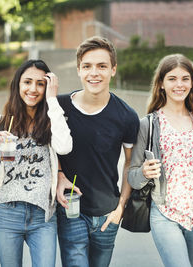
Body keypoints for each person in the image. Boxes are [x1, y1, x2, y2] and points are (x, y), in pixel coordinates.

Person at [0, 59, 72, 267]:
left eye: (40, 83)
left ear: (47, 87)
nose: (33, 89)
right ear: (17, 85)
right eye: (27, 82)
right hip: (7, 213)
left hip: (43, 216)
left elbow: (64, 147)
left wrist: (53, 100)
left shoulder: (53, 121)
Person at [128, 54, 193, 267]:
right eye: (172, 78)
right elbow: (132, 177)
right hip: (165, 213)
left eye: (185, 78)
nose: (179, 84)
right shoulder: (149, 125)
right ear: (161, 83)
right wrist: (144, 172)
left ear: (192, 83)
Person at [56, 36, 140, 267]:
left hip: (107, 213)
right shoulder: (59, 106)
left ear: (113, 70)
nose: (94, 73)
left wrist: (120, 207)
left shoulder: (127, 116)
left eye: (102, 66)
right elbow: (46, 148)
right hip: (70, 210)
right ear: (79, 70)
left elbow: (130, 164)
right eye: (87, 66)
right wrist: (60, 175)